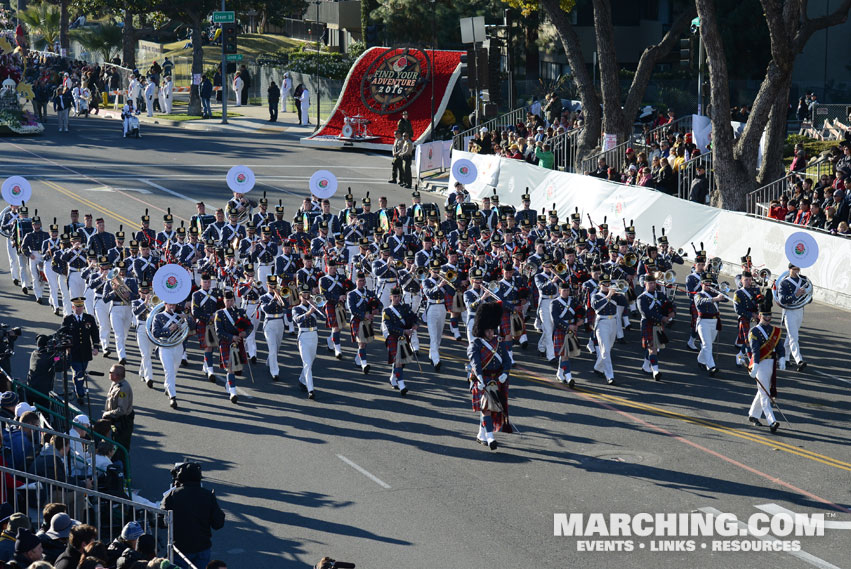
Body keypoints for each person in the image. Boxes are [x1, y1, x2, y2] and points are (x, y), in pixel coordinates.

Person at [161, 462, 225, 569]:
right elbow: (218, 523)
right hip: (202, 548)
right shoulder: (208, 495)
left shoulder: (172, 495)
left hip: (180, 548)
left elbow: (162, 521)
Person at [468, 302, 512, 450]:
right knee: (486, 408)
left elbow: (507, 361)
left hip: (497, 379)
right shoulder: (476, 344)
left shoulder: (499, 343)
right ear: (482, 330)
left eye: (492, 330)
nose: (491, 333)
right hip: (484, 379)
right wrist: (479, 378)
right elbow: (475, 364)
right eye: (488, 330)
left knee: (491, 409)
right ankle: (491, 437)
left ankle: (482, 434)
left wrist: (505, 373)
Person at [748, 295, 783, 433]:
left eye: (770, 317)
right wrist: (755, 365)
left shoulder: (774, 330)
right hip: (761, 364)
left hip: (771, 363)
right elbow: (755, 350)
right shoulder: (754, 331)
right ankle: (772, 421)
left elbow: (779, 345)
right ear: (759, 316)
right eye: (765, 317)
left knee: (763, 390)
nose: (767, 320)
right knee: (765, 394)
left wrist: (783, 358)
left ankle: (753, 415)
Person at [215, 291, 252, 403]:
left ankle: (228, 384)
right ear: (224, 301)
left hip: (238, 342)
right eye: (227, 301)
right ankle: (233, 392)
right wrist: (232, 337)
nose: (229, 303)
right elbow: (218, 332)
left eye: (231, 301)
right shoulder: (220, 314)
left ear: (234, 301)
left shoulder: (241, 312)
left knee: (236, 368)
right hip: (227, 342)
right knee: (230, 367)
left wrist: (244, 333)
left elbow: (250, 326)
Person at [62, 297, 100, 402]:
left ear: (83, 307)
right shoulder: (68, 319)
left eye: (81, 306)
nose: (79, 309)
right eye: (77, 307)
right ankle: (80, 393)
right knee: (78, 372)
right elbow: (63, 334)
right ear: (73, 307)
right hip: (73, 351)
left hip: (85, 351)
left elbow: (95, 334)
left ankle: (78, 388)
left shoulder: (89, 319)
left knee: (81, 372)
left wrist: (96, 347)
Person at [382, 287, 417, 396]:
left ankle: (394, 376)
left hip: (404, 338)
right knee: (398, 361)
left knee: (401, 362)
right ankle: (402, 385)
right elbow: (390, 328)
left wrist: (415, 325)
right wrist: (404, 331)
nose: (397, 299)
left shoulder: (405, 308)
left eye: (399, 296)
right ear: (390, 297)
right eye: (395, 297)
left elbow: (414, 317)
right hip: (393, 337)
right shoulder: (386, 311)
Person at [151, 302, 184, 409]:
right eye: (170, 305)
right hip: (165, 346)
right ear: (165, 304)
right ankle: (172, 396)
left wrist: (186, 318)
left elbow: (192, 327)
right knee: (168, 371)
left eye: (174, 305)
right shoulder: (158, 316)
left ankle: (168, 385)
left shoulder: (180, 315)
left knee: (174, 370)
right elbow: (155, 333)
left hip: (178, 345)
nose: (172, 307)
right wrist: (169, 329)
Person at [777, 263, 808, 371]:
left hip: (800, 310)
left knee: (790, 336)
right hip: (789, 311)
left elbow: (810, 298)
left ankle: (785, 358)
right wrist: (796, 295)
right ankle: (799, 360)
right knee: (794, 337)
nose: (796, 271)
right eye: (794, 269)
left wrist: (805, 294)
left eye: (797, 269)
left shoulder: (803, 281)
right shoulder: (784, 283)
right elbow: (782, 299)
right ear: (789, 269)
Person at [694, 274, 727, 375]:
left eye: (709, 283)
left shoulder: (713, 293)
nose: (708, 285)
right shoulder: (698, 294)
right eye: (705, 283)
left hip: (714, 322)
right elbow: (700, 302)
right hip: (703, 322)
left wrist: (720, 292)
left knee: (708, 344)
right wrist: (715, 299)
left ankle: (700, 360)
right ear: (702, 284)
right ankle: (711, 366)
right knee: (707, 345)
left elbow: (725, 299)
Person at [292, 284, 321, 399]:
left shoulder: (313, 306)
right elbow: (297, 320)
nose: (306, 297)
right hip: (303, 335)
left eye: (307, 295)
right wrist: (309, 312)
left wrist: (316, 307)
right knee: (307, 363)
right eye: (303, 295)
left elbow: (324, 318)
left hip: (314, 334)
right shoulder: (296, 308)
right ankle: (311, 390)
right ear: (300, 296)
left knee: (311, 361)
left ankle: (302, 380)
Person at [102, 363, 134, 463]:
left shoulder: (123, 388)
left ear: (117, 375)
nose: (109, 373)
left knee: (121, 448)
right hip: (115, 420)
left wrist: (107, 414)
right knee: (114, 445)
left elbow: (121, 410)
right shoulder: (115, 384)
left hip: (123, 422)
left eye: (111, 372)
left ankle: (123, 472)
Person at [591, 274, 618, 385]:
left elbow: (625, 303)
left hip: (613, 322)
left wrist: (619, 293)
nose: (607, 286)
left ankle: (598, 367)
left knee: (608, 348)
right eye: (604, 284)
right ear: (600, 284)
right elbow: (596, 307)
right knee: (605, 351)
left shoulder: (615, 295)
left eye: (608, 283)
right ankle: (609, 375)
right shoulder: (595, 296)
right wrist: (608, 297)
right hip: (602, 322)